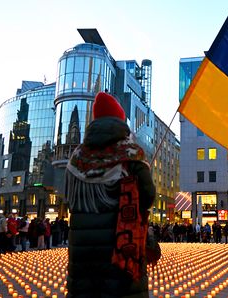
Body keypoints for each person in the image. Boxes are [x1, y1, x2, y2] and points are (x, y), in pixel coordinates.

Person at [65, 92, 156, 297]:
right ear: (120, 120)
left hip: (82, 254)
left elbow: (69, 198)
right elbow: (148, 197)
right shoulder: (131, 153)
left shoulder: (76, 158)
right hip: (121, 251)